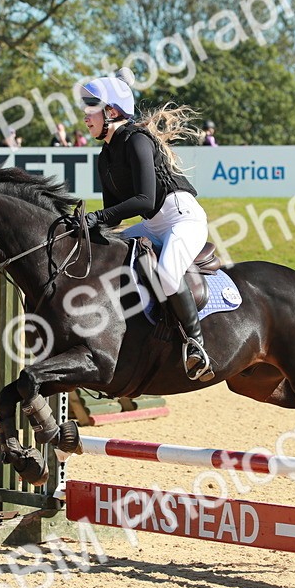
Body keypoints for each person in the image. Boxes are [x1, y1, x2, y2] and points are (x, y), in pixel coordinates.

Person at [77, 68, 214, 382]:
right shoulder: (105, 155)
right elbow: (115, 212)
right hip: (152, 225)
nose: (86, 118)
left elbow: (143, 200)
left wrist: (97, 217)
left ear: (111, 112)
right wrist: (86, 228)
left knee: (166, 274)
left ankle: (196, 344)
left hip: (182, 218)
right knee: (110, 257)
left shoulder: (137, 140)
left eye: (91, 112)